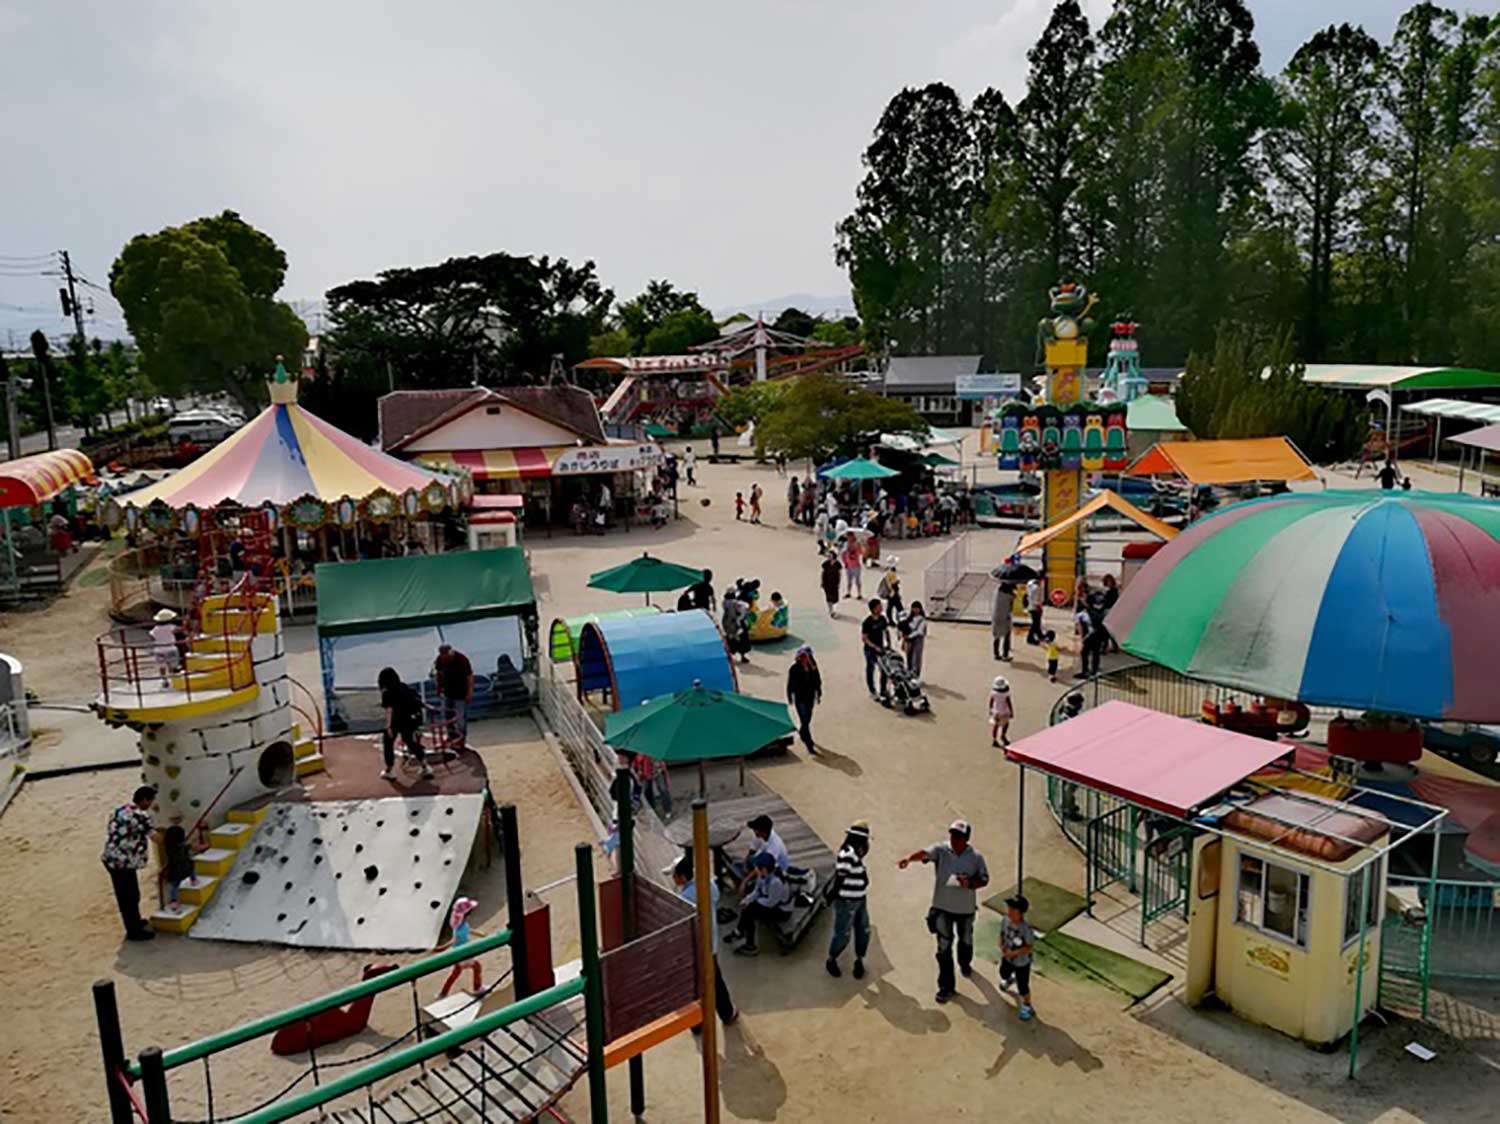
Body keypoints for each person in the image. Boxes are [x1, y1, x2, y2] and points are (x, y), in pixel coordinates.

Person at [898, 819, 989, 1003]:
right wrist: (909, 859)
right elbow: (925, 853)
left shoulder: (976, 858)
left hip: (965, 910)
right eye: (953, 835)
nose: (954, 839)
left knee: (965, 940)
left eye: (959, 837)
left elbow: (984, 879)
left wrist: (970, 884)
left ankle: (965, 963)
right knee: (943, 948)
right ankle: (946, 987)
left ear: (966, 839)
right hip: (942, 908)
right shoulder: (941, 850)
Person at [673, 857, 739, 1024]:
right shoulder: (708, 885)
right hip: (712, 943)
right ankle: (727, 1013)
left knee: (695, 986)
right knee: (715, 981)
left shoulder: (686, 898)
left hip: (696, 946)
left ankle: (697, 1023)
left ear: (682, 877)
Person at [102, 785, 158, 940]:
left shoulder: (120, 810)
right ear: (145, 800)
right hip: (123, 862)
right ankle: (133, 931)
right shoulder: (141, 816)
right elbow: (155, 838)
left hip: (112, 858)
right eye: (151, 800)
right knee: (130, 896)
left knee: (128, 895)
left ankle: (134, 923)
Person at [826, 821, 872, 979]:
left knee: (863, 930)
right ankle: (831, 959)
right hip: (847, 901)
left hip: (859, 898)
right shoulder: (848, 854)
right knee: (843, 933)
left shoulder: (855, 854)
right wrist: (832, 896)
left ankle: (859, 959)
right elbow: (840, 877)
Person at [729, 852, 791, 957]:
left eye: (757, 867)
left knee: (750, 912)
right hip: (768, 902)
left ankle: (749, 944)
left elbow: (771, 902)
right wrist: (747, 899)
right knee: (748, 907)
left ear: (764, 869)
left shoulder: (775, 882)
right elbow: (757, 891)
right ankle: (740, 931)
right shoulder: (763, 876)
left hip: (781, 910)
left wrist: (754, 902)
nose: (755, 869)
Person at [377, 667, 430, 780]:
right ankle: (425, 766)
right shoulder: (404, 687)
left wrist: (388, 726)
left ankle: (390, 770)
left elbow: (389, 710)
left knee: (388, 743)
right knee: (411, 742)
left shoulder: (387, 693)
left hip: (396, 721)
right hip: (409, 719)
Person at [999, 893, 1038, 1020]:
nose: (1009, 911)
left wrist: (1014, 953)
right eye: (1009, 908)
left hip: (1022, 962)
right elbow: (1002, 933)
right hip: (1007, 957)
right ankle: (1009, 979)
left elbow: (1029, 947)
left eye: (1013, 909)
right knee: (1003, 972)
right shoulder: (1005, 920)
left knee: (1023, 986)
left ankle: (1027, 1006)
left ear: (1020, 913)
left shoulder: (1026, 929)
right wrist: (1002, 945)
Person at [437, 897, 484, 997]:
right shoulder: (459, 929)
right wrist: (443, 947)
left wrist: (479, 933)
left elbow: (468, 929)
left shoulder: (462, 924)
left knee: (457, 973)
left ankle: (444, 992)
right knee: (475, 967)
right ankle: (477, 988)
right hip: (463, 953)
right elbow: (454, 940)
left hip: (462, 953)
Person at [433, 644, 473, 749]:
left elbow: (469, 676)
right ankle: (451, 735)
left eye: (446, 655)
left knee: (460, 717)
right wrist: (438, 687)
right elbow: (438, 673)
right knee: (446, 716)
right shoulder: (440, 660)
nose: (445, 657)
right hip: (447, 692)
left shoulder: (462, 659)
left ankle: (461, 738)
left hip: (460, 693)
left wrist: (469, 692)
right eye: (442, 655)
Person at [786, 645, 822, 756]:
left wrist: (818, 693)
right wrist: (789, 695)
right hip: (800, 697)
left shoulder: (813, 667)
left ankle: (802, 732)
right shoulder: (794, 668)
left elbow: (817, 680)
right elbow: (790, 683)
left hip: (809, 697)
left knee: (807, 718)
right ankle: (809, 743)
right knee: (804, 719)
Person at [861, 598, 891, 701]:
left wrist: (888, 644)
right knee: (870, 669)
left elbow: (886, 631)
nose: (881, 608)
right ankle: (872, 691)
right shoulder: (867, 622)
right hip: (870, 650)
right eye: (879, 607)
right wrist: (874, 647)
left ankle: (883, 690)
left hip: (881, 648)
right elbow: (865, 638)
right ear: (873, 609)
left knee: (884, 670)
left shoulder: (883, 619)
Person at [633, 751, 672, 819]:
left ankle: (668, 809)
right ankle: (653, 811)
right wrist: (639, 769)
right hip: (644, 769)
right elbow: (637, 757)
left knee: (663, 789)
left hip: (656, 767)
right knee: (647, 791)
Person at [161, 824, 194, 906]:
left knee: (175, 885)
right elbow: (186, 850)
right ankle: (193, 880)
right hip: (183, 866)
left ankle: (174, 901)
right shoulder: (181, 846)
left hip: (174, 869)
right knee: (192, 868)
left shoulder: (169, 846)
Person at [149, 608, 183, 688]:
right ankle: (174, 681)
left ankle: (164, 680)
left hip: (159, 650)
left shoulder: (155, 629)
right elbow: (180, 630)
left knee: (162, 666)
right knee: (173, 666)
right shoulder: (171, 627)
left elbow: (152, 637)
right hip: (171, 648)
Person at [902, 600, 928, 679]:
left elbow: (919, 631)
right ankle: (909, 673)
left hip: (917, 640)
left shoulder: (922, 620)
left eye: (917, 608)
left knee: (916, 658)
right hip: (908, 641)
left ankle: (916, 675)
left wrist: (909, 636)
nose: (915, 610)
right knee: (909, 657)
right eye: (914, 608)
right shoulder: (909, 618)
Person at [988, 675, 1014, 748]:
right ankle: (1003, 736)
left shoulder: (993, 693)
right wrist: (1011, 711)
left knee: (995, 726)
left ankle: (994, 740)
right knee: (1006, 724)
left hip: (996, 711)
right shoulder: (1006, 693)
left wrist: (990, 709)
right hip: (1004, 712)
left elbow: (991, 701)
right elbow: (1009, 702)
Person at [992, 581, 1014, 662]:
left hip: (996, 616)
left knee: (997, 636)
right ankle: (1005, 654)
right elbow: (1011, 608)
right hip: (1005, 617)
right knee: (1007, 636)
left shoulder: (997, 592)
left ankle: (996, 654)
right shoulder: (1010, 596)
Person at [841, 532, 864, 598]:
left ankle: (859, 594)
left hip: (856, 565)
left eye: (850, 536)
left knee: (857, 580)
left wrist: (858, 546)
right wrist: (845, 562)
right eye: (848, 537)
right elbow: (843, 554)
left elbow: (861, 552)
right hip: (848, 565)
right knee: (849, 580)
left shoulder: (857, 544)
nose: (849, 538)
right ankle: (848, 592)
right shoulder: (846, 544)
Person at [820, 554, 842, 618]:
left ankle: (833, 609)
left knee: (835, 598)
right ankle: (831, 611)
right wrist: (822, 582)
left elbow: (839, 573)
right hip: (827, 582)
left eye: (830, 556)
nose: (828, 557)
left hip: (835, 583)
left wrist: (839, 582)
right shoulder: (826, 564)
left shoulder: (838, 564)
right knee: (828, 596)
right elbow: (823, 573)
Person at [1025, 577, 1044, 646]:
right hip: (1035, 607)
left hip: (1030, 606)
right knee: (1035, 623)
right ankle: (1030, 638)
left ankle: (1040, 635)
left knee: (1037, 622)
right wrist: (1039, 607)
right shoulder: (1037, 587)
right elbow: (1036, 598)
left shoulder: (1030, 585)